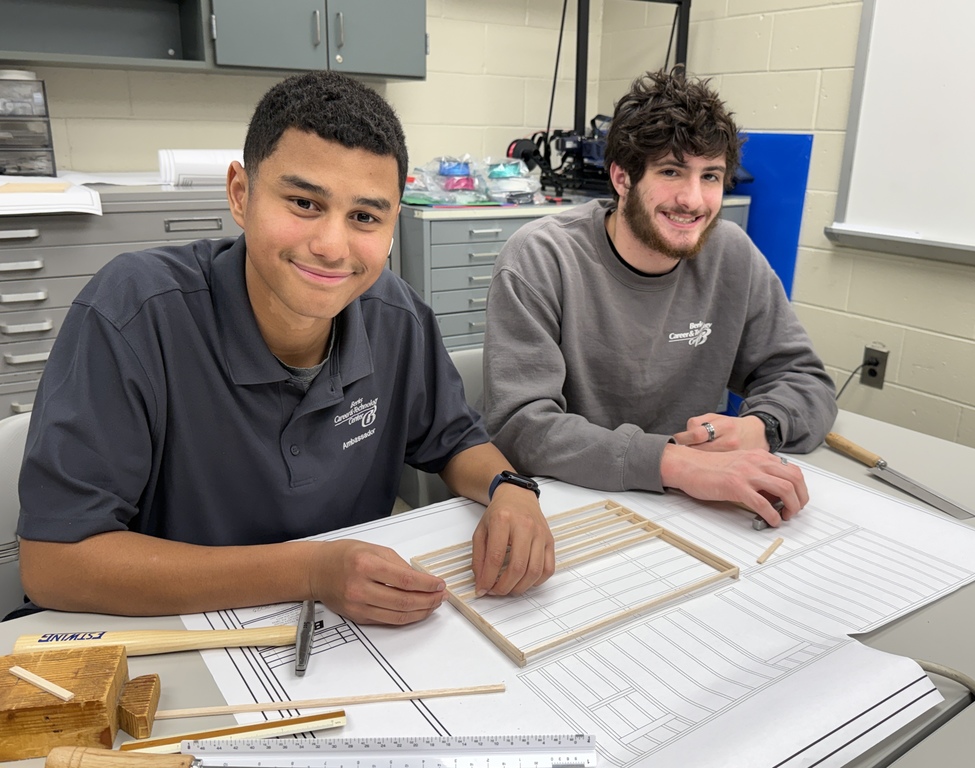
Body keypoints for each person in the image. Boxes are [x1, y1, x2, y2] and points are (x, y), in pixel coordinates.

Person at [15, 71, 553, 623]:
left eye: (365, 217)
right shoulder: (134, 312)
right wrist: (311, 573)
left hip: (339, 636)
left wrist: (509, 487)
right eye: (303, 203)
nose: (330, 246)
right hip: (167, 631)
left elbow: (454, 439)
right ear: (241, 195)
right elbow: (56, 561)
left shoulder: (397, 318)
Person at [483, 68, 837, 528]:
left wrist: (760, 427)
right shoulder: (542, 257)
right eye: (671, 172)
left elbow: (805, 380)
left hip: (693, 510)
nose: (693, 200)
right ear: (622, 178)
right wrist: (681, 465)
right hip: (569, 504)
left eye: (710, 176)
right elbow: (521, 428)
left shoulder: (731, 255)